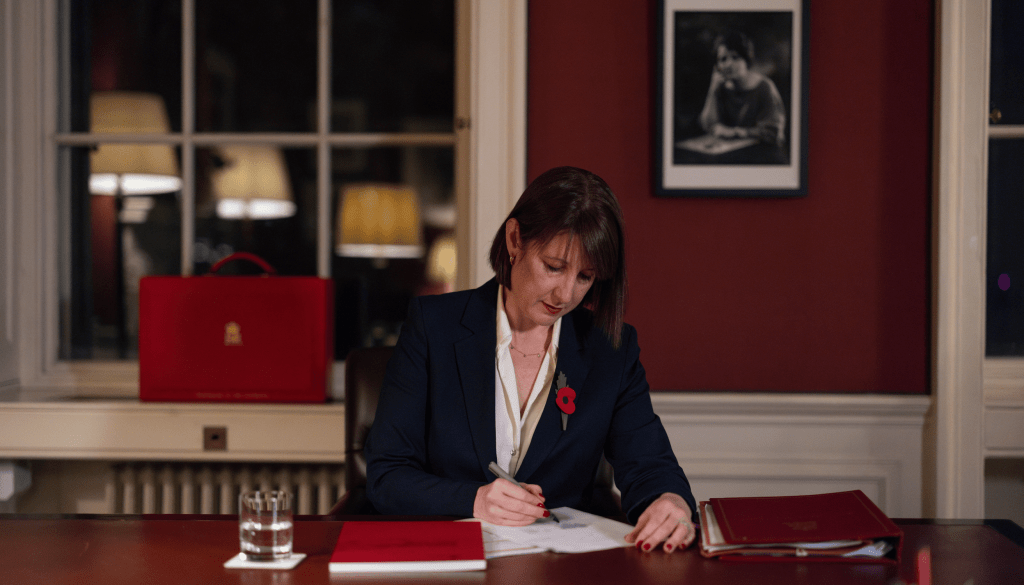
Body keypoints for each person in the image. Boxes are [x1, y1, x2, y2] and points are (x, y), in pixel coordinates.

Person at [364, 166, 698, 553]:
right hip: (451, 562)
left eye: (585, 277)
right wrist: (473, 499)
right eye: (554, 267)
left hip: (559, 568)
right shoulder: (432, 326)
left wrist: (670, 502)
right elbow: (387, 476)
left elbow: (650, 465)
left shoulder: (612, 350)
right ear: (515, 239)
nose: (565, 293)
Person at [698, 30, 786, 148]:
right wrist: (712, 89)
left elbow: (773, 132)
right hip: (732, 153)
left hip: (763, 153)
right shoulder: (721, 88)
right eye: (723, 59)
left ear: (746, 59)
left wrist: (735, 132)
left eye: (735, 57)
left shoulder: (764, 87)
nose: (728, 64)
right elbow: (707, 125)